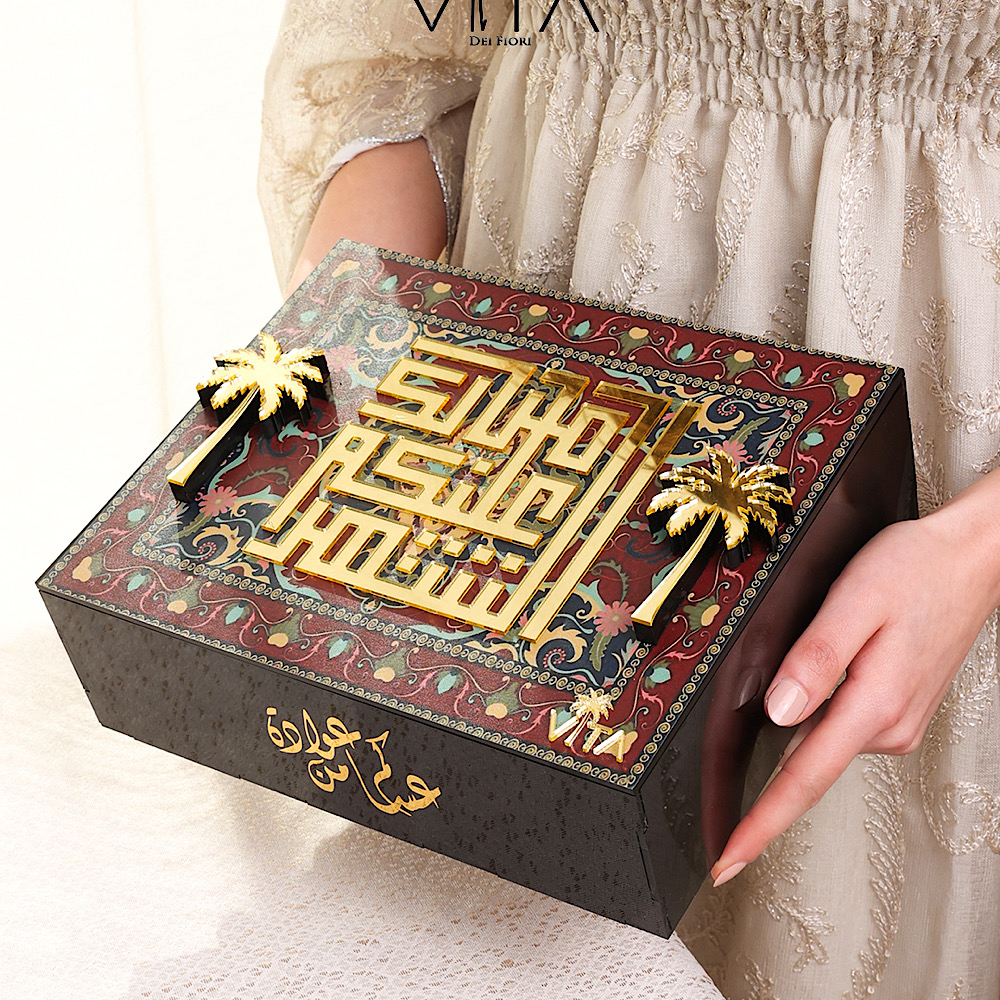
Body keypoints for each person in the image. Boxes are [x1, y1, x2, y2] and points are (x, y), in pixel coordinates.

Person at [258, 1, 1000, 994]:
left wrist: (977, 548)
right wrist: (349, 328)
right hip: (526, 365)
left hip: (930, 432)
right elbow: (396, 52)